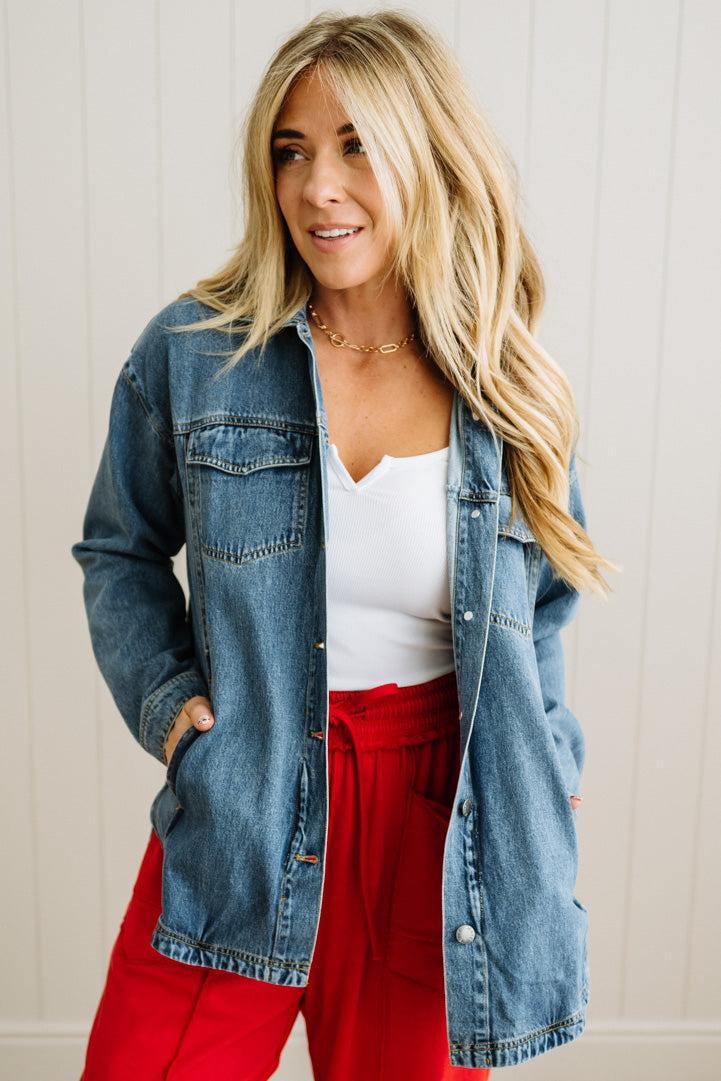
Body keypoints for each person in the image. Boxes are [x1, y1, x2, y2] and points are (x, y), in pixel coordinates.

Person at [71, 9, 617, 1080]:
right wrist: (167, 700)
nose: (318, 186)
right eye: (291, 150)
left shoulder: (500, 383)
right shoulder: (194, 352)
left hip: (435, 814)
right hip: (248, 784)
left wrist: (547, 750)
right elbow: (118, 550)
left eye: (356, 144)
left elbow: (542, 600)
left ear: (427, 150)